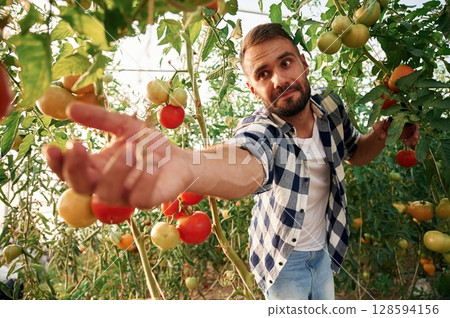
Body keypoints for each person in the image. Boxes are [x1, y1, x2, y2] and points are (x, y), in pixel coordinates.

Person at [43, 23, 419, 300]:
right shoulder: (262, 129)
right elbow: (245, 161)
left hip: (328, 248)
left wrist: (382, 135)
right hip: (282, 261)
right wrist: (187, 165)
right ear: (253, 88)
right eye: (263, 74)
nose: (279, 78)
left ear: (303, 63)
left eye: (286, 63)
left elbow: (354, 153)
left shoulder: (332, 107)